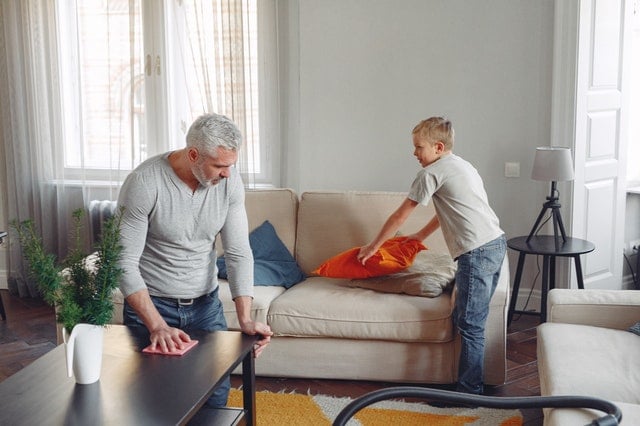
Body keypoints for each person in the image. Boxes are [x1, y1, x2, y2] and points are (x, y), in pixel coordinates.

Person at [116, 113, 273, 408]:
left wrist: (245, 318)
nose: (227, 173)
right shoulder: (145, 183)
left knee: (214, 397)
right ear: (193, 155)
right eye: (220, 165)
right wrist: (157, 325)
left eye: (231, 165)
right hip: (152, 306)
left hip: (206, 306)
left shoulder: (229, 181)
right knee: (153, 402)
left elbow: (238, 251)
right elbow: (123, 261)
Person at [357, 116, 506, 395]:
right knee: (471, 319)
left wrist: (374, 246)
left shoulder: (431, 173)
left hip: (477, 252)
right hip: (495, 243)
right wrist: (420, 237)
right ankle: (467, 385)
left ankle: (469, 393)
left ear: (438, 147)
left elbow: (400, 215)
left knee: (471, 324)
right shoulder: (462, 166)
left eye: (418, 147)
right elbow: (448, 209)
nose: (414, 153)